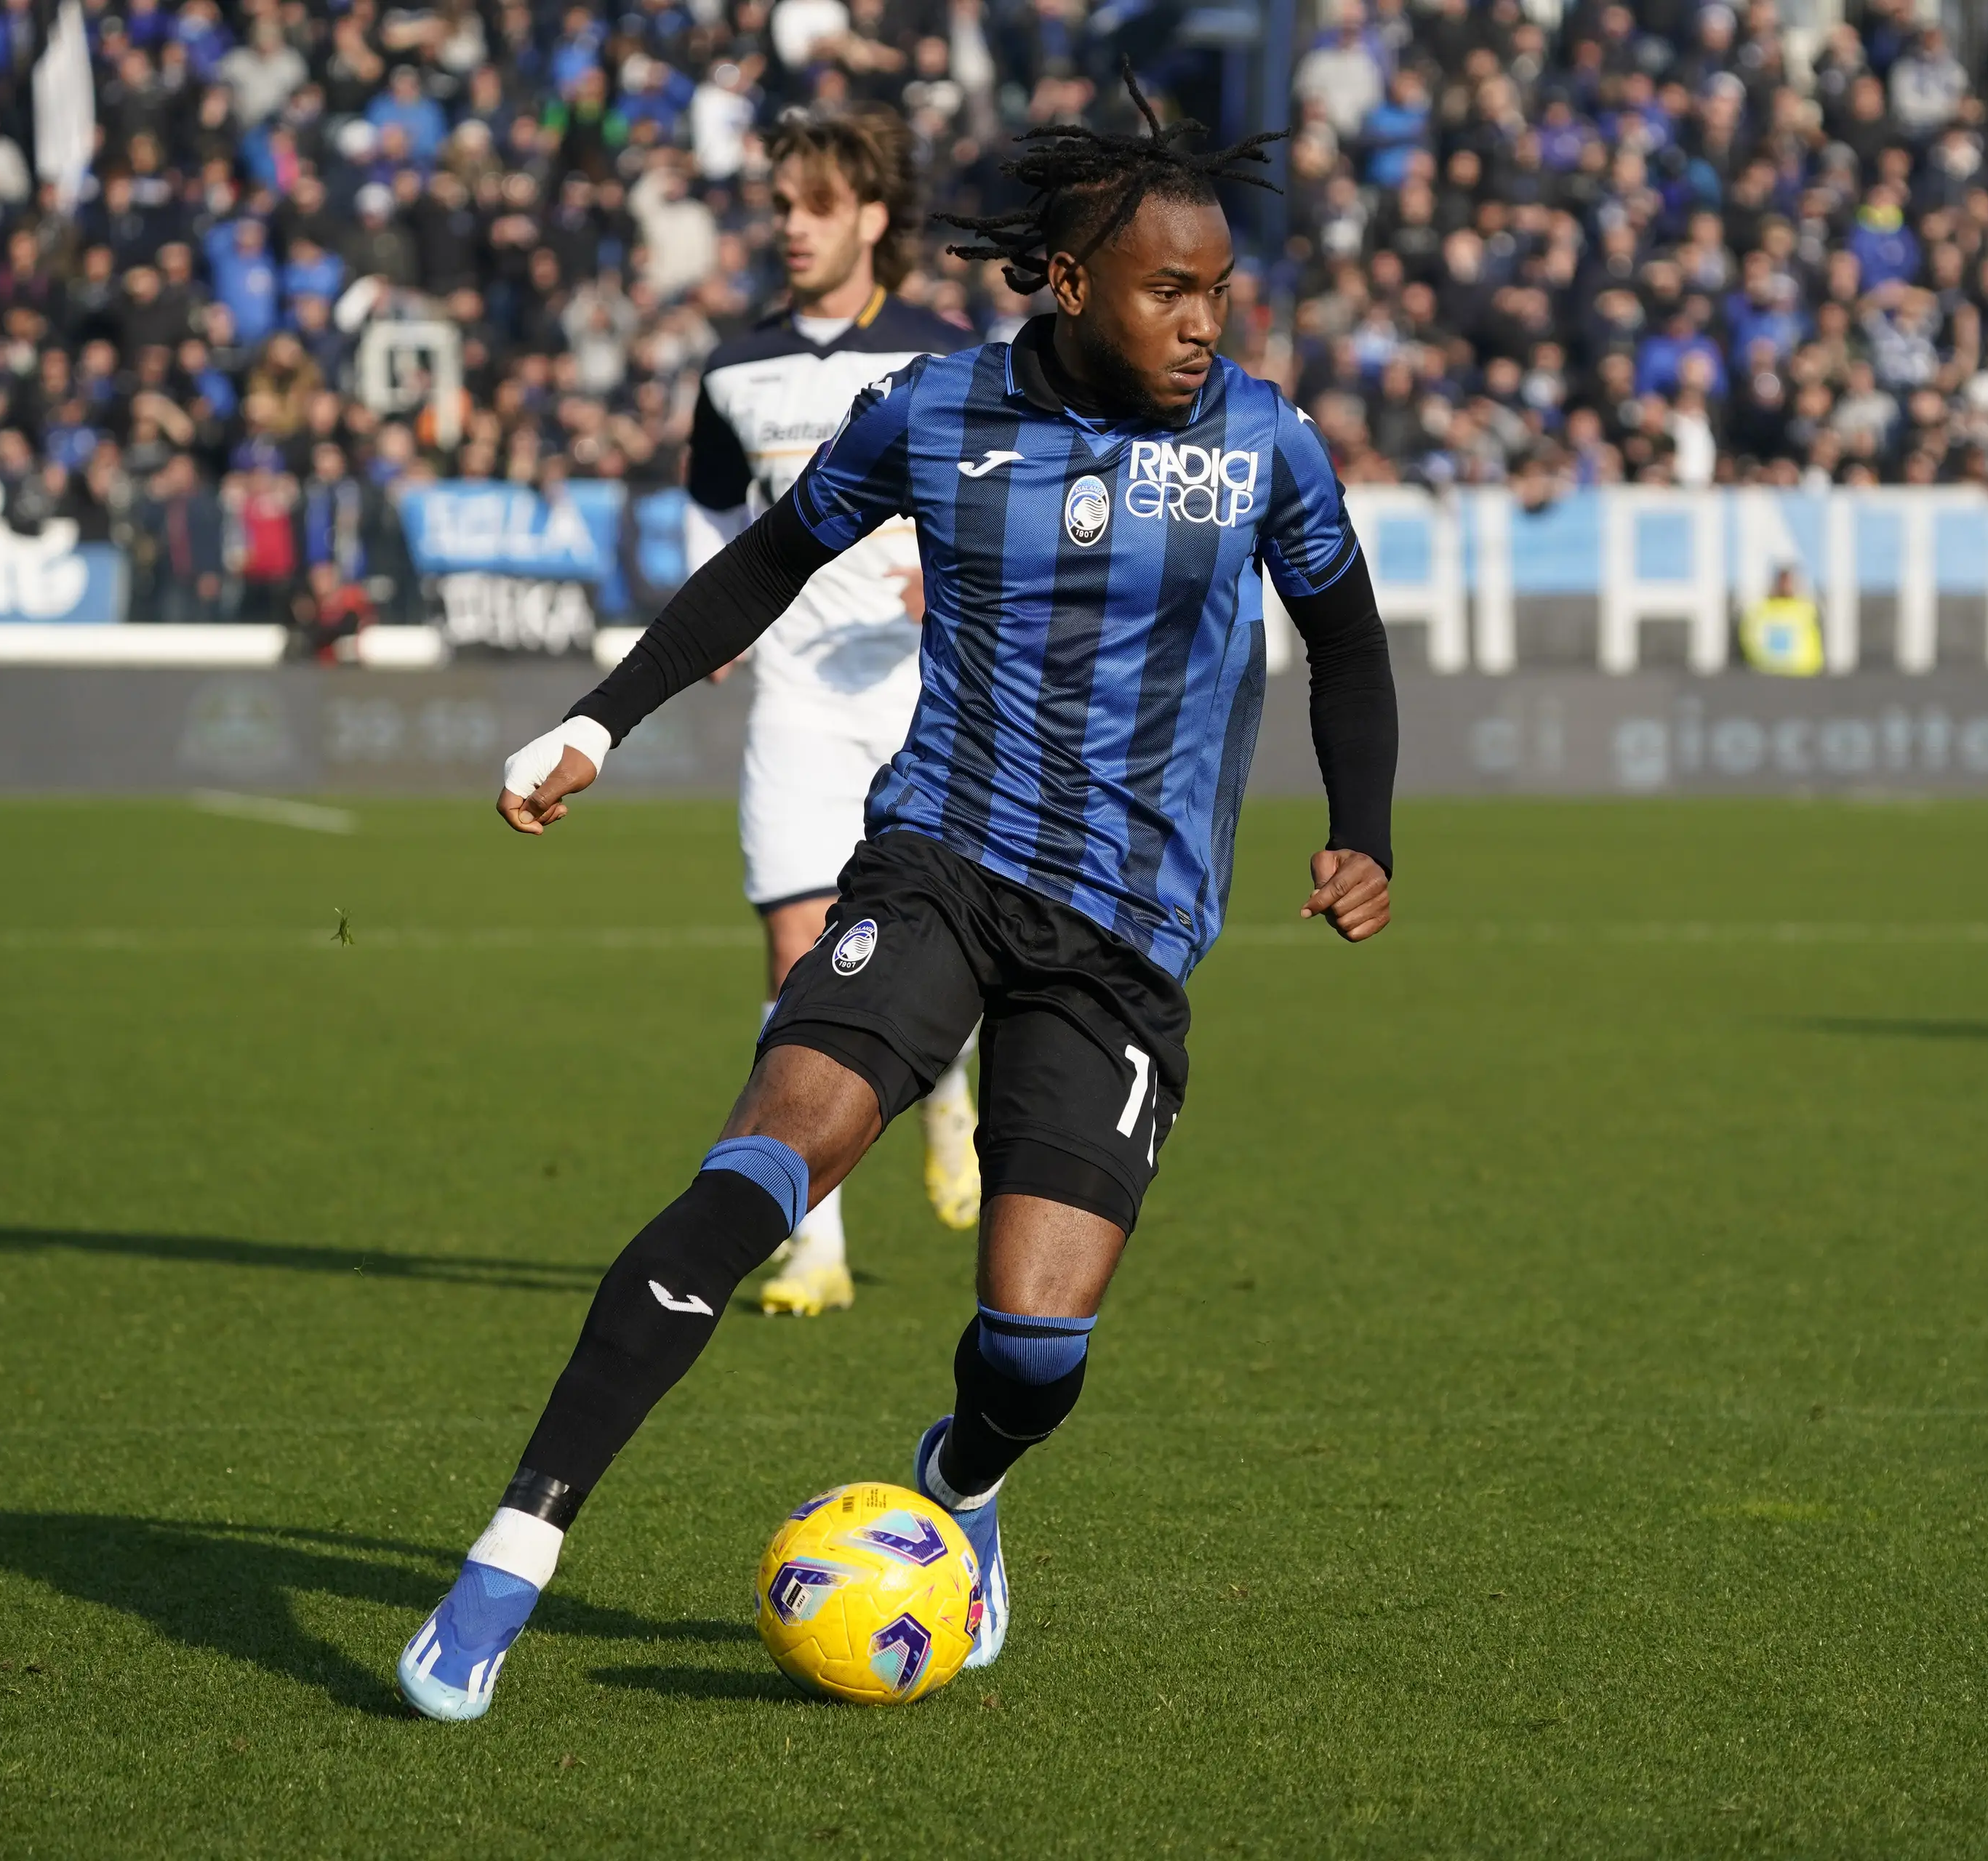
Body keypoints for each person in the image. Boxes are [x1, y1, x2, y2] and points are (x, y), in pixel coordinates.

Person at [398, 67, 1398, 1721]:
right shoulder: (936, 410)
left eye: (1219, 288)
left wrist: (1362, 824)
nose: (1204, 321)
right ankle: (509, 1551)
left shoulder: (1261, 443)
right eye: (1169, 289)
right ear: (1069, 284)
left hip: (1128, 939)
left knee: (1032, 1354)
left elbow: (1346, 636)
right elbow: (768, 558)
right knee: (758, 1165)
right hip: (939, 860)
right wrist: (598, 715)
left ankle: (965, 1476)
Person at [683, 106, 985, 1314]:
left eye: (815, 207)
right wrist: (718, 617)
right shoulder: (733, 370)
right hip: (798, 701)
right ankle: (818, 1244)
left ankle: (948, 1094)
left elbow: (1004, 492)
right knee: (798, 959)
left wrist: (950, 567)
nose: (792, 228)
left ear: (870, 217)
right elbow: (712, 516)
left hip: (930, 699)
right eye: (780, 208)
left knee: (944, 946)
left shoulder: (946, 356)